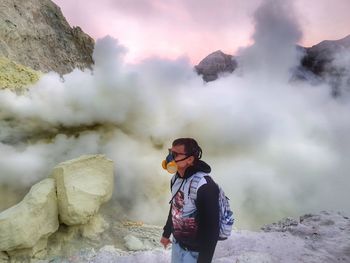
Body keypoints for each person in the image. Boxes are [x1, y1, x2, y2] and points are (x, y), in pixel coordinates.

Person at [160, 138, 220, 263]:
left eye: (175, 154)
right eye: (171, 152)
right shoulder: (176, 179)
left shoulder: (205, 186)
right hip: (177, 245)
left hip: (195, 253)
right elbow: (176, 207)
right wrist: (166, 234)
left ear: (190, 159)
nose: (170, 157)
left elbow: (212, 231)